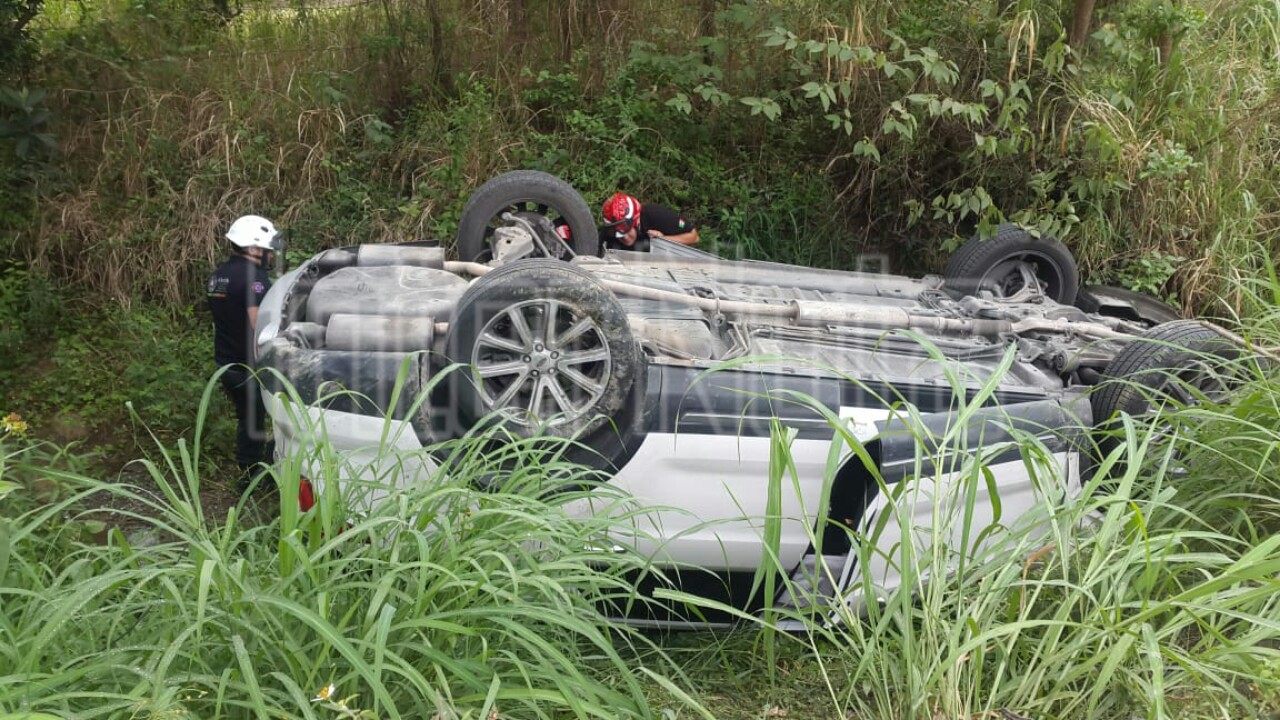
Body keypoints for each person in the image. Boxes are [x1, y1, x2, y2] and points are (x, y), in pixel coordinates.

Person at [207, 214, 279, 494]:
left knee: (247, 418)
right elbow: (258, 324)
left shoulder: (219, 276)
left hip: (226, 362)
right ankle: (252, 478)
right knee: (256, 420)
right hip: (251, 366)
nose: (270, 255)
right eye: (267, 249)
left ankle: (253, 469)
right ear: (254, 248)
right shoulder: (255, 279)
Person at [599, 193, 699, 252]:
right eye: (617, 234)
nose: (624, 237)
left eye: (627, 230)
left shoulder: (656, 215)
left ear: (637, 220)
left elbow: (694, 237)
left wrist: (663, 240)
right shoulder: (607, 234)